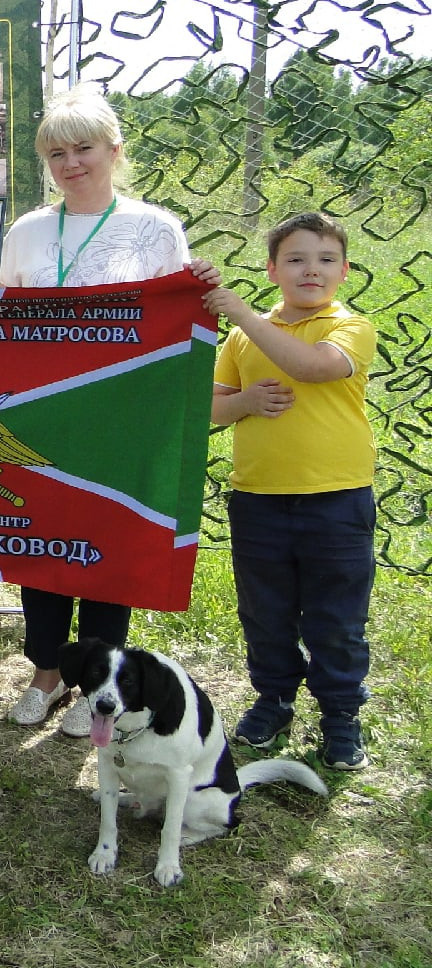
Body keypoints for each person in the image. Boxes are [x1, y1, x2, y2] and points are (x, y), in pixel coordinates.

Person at [0, 87, 219, 736]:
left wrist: (198, 289)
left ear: (115, 151)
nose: (71, 164)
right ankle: (45, 673)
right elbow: (1, 322)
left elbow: (174, 326)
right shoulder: (27, 231)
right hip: (43, 419)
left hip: (121, 423)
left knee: (107, 547)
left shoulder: (156, 227)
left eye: (84, 149)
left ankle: (95, 679)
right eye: (56, 153)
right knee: (39, 546)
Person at [203, 212, 376, 770]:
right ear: (273, 268)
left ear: (344, 271)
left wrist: (244, 314)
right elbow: (208, 408)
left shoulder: (349, 326)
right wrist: (245, 403)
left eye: (326, 260)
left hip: (338, 499)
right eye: (296, 259)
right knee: (265, 610)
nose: (312, 270)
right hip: (258, 499)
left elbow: (314, 367)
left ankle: (341, 715)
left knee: (338, 615)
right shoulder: (242, 337)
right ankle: (273, 699)